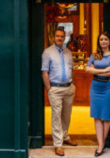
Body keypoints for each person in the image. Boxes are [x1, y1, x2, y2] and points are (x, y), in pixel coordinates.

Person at [42, 28, 78, 157]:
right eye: (57, 36)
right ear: (54, 37)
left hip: (69, 88)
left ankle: (65, 136)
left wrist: (72, 84)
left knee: (66, 115)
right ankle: (58, 144)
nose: (59, 38)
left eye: (62, 36)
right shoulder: (47, 52)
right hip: (55, 89)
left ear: (64, 38)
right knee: (56, 116)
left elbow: (72, 69)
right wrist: (49, 89)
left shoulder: (68, 52)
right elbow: (44, 72)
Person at [85, 32, 110, 157]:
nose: (103, 41)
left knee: (106, 117)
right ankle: (101, 144)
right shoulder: (95, 55)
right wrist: (104, 70)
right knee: (97, 116)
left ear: (109, 41)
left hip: (108, 88)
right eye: (101, 39)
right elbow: (87, 69)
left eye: (105, 39)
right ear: (98, 42)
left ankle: (101, 144)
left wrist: (96, 71)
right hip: (95, 88)